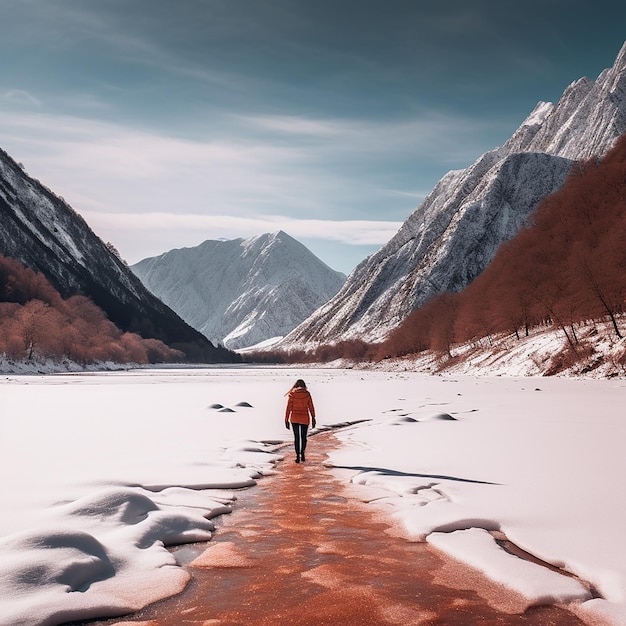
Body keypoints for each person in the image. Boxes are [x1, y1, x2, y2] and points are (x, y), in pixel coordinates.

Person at [285, 379, 316, 463]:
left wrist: (286, 419)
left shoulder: (292, 394)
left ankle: (297, 456)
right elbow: (311, 407)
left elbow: (288, 408)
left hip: (294, 418)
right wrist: (313, 418)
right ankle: (302, 453)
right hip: (305, 418)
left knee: (297, 437)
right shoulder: (307, 394)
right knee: (303, 437)